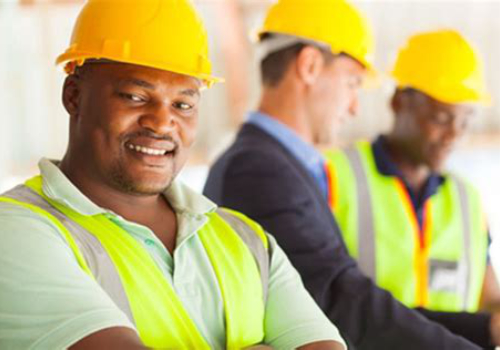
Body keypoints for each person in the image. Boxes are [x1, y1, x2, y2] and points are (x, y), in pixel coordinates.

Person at [0, 1, 346, 349]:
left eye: (183, 104)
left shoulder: (245, 239)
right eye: (135, 96)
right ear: (73, 96)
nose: (163, 122)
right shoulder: (16, 230)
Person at [204, 0, 498, 348]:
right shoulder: (258, 171)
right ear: (310, 66)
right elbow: (339, 299)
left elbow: (344, 297)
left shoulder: (279, 166)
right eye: (353, 82)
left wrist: (485, 330)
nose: (356, 106)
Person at [323, 29, 500, 315]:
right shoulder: (335, 176)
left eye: (464, 122)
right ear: (398, 102)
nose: (453, 135)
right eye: (440, 118)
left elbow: (488, 299)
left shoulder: (468, 200)